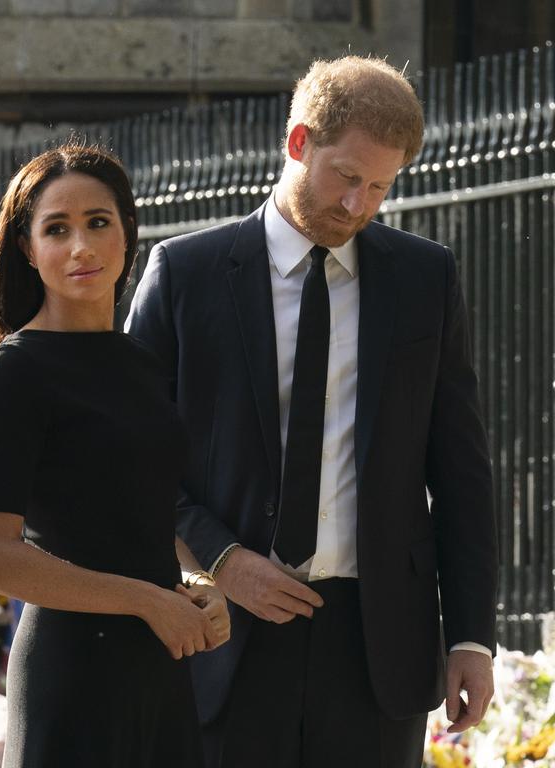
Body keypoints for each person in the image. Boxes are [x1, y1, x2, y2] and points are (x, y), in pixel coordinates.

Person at [126, 55, 499, 768]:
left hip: (377, 645)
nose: (359, 204)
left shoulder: (427, 278)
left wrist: (472, 639)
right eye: (346, 177)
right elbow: (129, 458)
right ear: (298, 142)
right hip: (223, 634)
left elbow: (462, 471)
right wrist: (222, 557)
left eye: (381, 187)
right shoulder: (185, 274)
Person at [0, 144, 231, 768]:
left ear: (128, 232)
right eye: (57, 229)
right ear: (28, 248)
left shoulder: (141, 365)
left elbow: (145, 518)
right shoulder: (14, 374)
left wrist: (193, 581)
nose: (82, 246)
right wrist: (146, 598)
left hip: (159, 668)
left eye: (98, 223)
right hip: (70, 673)